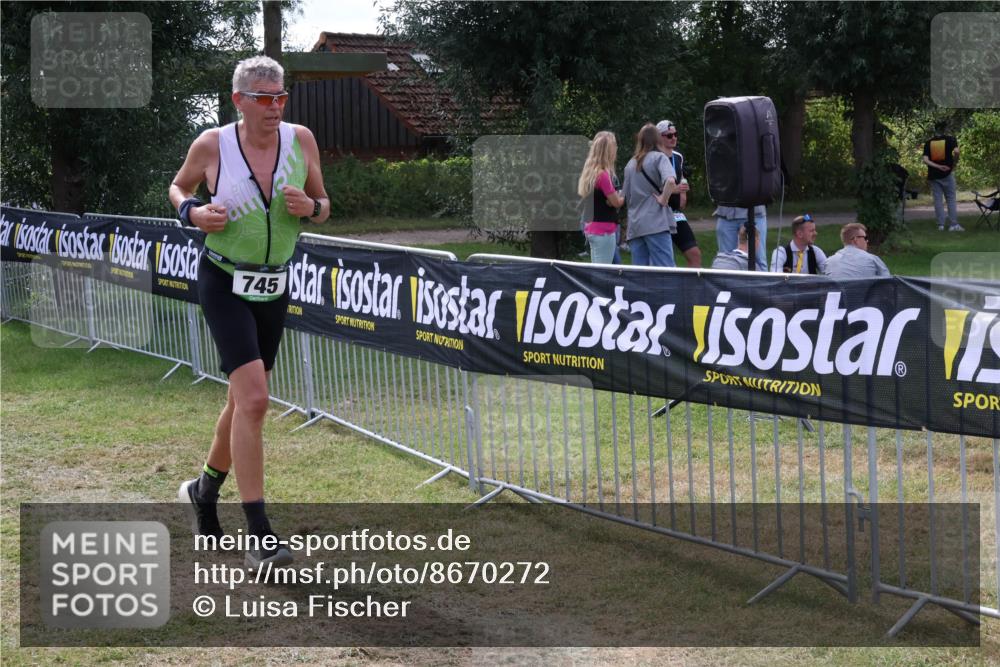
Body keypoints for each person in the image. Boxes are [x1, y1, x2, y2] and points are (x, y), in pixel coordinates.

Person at [168, 56, 330, 568]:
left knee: (243, 402)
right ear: (238, 100)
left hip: (274, 286)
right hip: (224, 281)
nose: (275, 106)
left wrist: (312, 209)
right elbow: (178, 187)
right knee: (257, 400)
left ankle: (204, 491)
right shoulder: (213, 144)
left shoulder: (301, 141)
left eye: (281, 96)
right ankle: (260, 533)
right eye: (263, 97)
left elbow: (324, 202)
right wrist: (192, 212)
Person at [622, 123, 682, 267]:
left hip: (636, 226)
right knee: (665, 269)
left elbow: (625, 196)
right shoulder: (659, 158)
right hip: (656, 223)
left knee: (640, 273)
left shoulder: (630, 164)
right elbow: (670, 181)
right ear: (658, 139)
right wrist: (663, 199)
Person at [655, 120, 700, 267]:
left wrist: (683, 192)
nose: (674, 138)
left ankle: (689, 289)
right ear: (659, 137)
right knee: (664, 261)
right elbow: (649, 188)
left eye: (675, 134)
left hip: (675, 212)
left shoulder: (677, 156)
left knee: (694, 254)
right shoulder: (653, 157)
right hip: (658, 212)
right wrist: (674, 189)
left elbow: (680, 177)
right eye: (669, 136)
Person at [577, 131, 624, 264]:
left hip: (593, 228)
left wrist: (612, 200)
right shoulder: (603, 175)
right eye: (614, 146)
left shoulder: (591, 172)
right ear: (608, 150)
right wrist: (625, 192)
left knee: (599, 270)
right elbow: (616, 202)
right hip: (604, 230)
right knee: (602, 274)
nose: (616, 149)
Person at [922, 123, 962, 232]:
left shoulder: (929, 143)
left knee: (938, 200)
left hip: (934, 175)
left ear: (935, 130)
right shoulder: (950, 139)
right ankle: (953, 225)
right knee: (950, 199)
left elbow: (925, 160)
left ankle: (941, 225)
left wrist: (938, 166)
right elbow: (957, 152)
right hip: (947, 174)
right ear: (945, 129)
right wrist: (954, 163)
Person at [824, 222, 890, 279]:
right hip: (863, 293)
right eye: (865, 238)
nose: (867, 241)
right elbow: (888, 282)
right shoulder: (872, 259)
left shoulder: (829, 262)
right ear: (855, 239)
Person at [715, 204, 767, 272]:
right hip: (726, 213)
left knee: (759, 261)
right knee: (725, 261)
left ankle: (762, 282)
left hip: (755, 212)